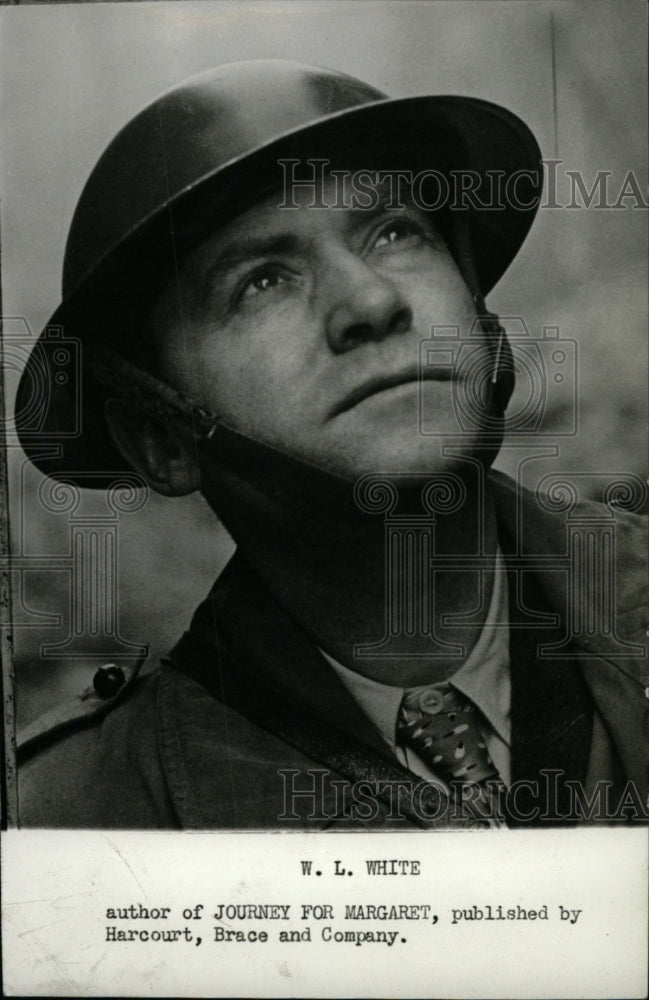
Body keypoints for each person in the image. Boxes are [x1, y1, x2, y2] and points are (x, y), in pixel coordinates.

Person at [14, 60, 648, 829]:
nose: (372, 301)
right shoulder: (80, 813)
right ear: (160, 438)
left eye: (394, 231)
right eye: (261, 281)